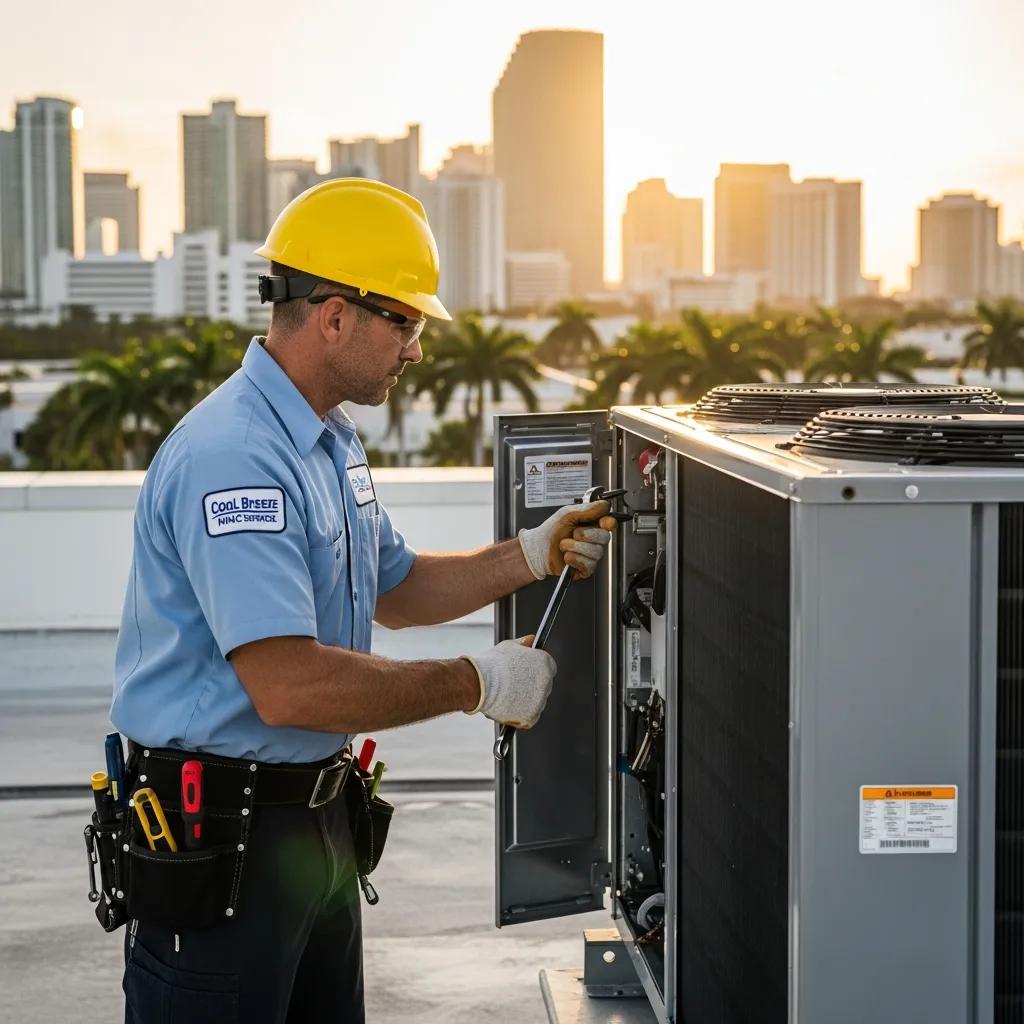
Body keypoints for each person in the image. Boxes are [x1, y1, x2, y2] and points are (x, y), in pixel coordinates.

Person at [110, 178, 616, 1023]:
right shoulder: (235, 456)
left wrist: (529, 555)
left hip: (316, 826)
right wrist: (473, 683)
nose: (417, 347)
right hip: (222, 841)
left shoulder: (328, 440)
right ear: (335, 315)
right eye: (406, 322)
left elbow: (398, 586)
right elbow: (290, 686)